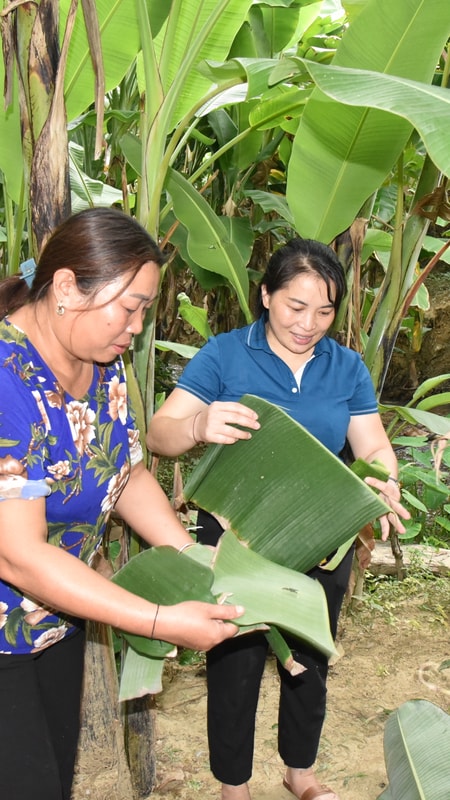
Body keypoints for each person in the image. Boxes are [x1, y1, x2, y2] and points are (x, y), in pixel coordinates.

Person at [147, 238, 410, 800]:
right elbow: (159, 434)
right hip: (238, 531)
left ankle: (301, 774)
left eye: (324, 311)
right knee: (235, 659)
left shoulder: (347, 367)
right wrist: (197, 427)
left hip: (323, 531)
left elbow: (374, 445)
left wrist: (382, 477)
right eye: (295, 306)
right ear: (266, 296)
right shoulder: (224, 354)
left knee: (311, 652)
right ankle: (233, 786)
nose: (308, 324)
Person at [0, 207, 244, 800]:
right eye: (129, 306)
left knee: (53, 778)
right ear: (65, 287)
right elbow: (18, 557)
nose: (136, 326)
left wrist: (189, 554)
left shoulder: (100, 361)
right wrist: (161, 621)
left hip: (58, 619)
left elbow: (123, 470)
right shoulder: (7, 380)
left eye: (144, 310)